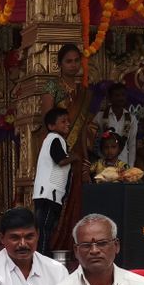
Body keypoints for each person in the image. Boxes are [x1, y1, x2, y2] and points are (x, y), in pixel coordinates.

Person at [38, 43, 97, 251]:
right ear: (59, 64)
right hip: (59, 150)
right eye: (68, 61)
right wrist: (54, 152)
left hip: (77, 151)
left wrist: (84, 155)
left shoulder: (83, 92)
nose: (73, 65)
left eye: (76, 61)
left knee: (77, 195)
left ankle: (74, 243)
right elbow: (48, 122)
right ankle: (54, 244)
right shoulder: (52, 87)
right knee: (58, 197)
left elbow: (81, 128)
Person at [33, 107, 80, 257]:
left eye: (68, 121)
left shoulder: (53, 139)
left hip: (47, 192)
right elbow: (60, 160)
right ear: (51, 126)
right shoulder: (55, 138)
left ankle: (42, 255)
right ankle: (42, 257)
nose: (68, 124)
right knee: (45, 227)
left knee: (45, 226)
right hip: (49, 193)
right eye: (63, 121)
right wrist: (75, 157)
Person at [93, 82, 138, 167]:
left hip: (123, 163)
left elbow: (132, 144)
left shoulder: (132, 119)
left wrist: (130, 167)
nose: (121, 98)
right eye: (117, 95)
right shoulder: (100, 116)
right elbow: (93, 140)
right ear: (110, 98)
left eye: (123, 95)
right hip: (103, 163)